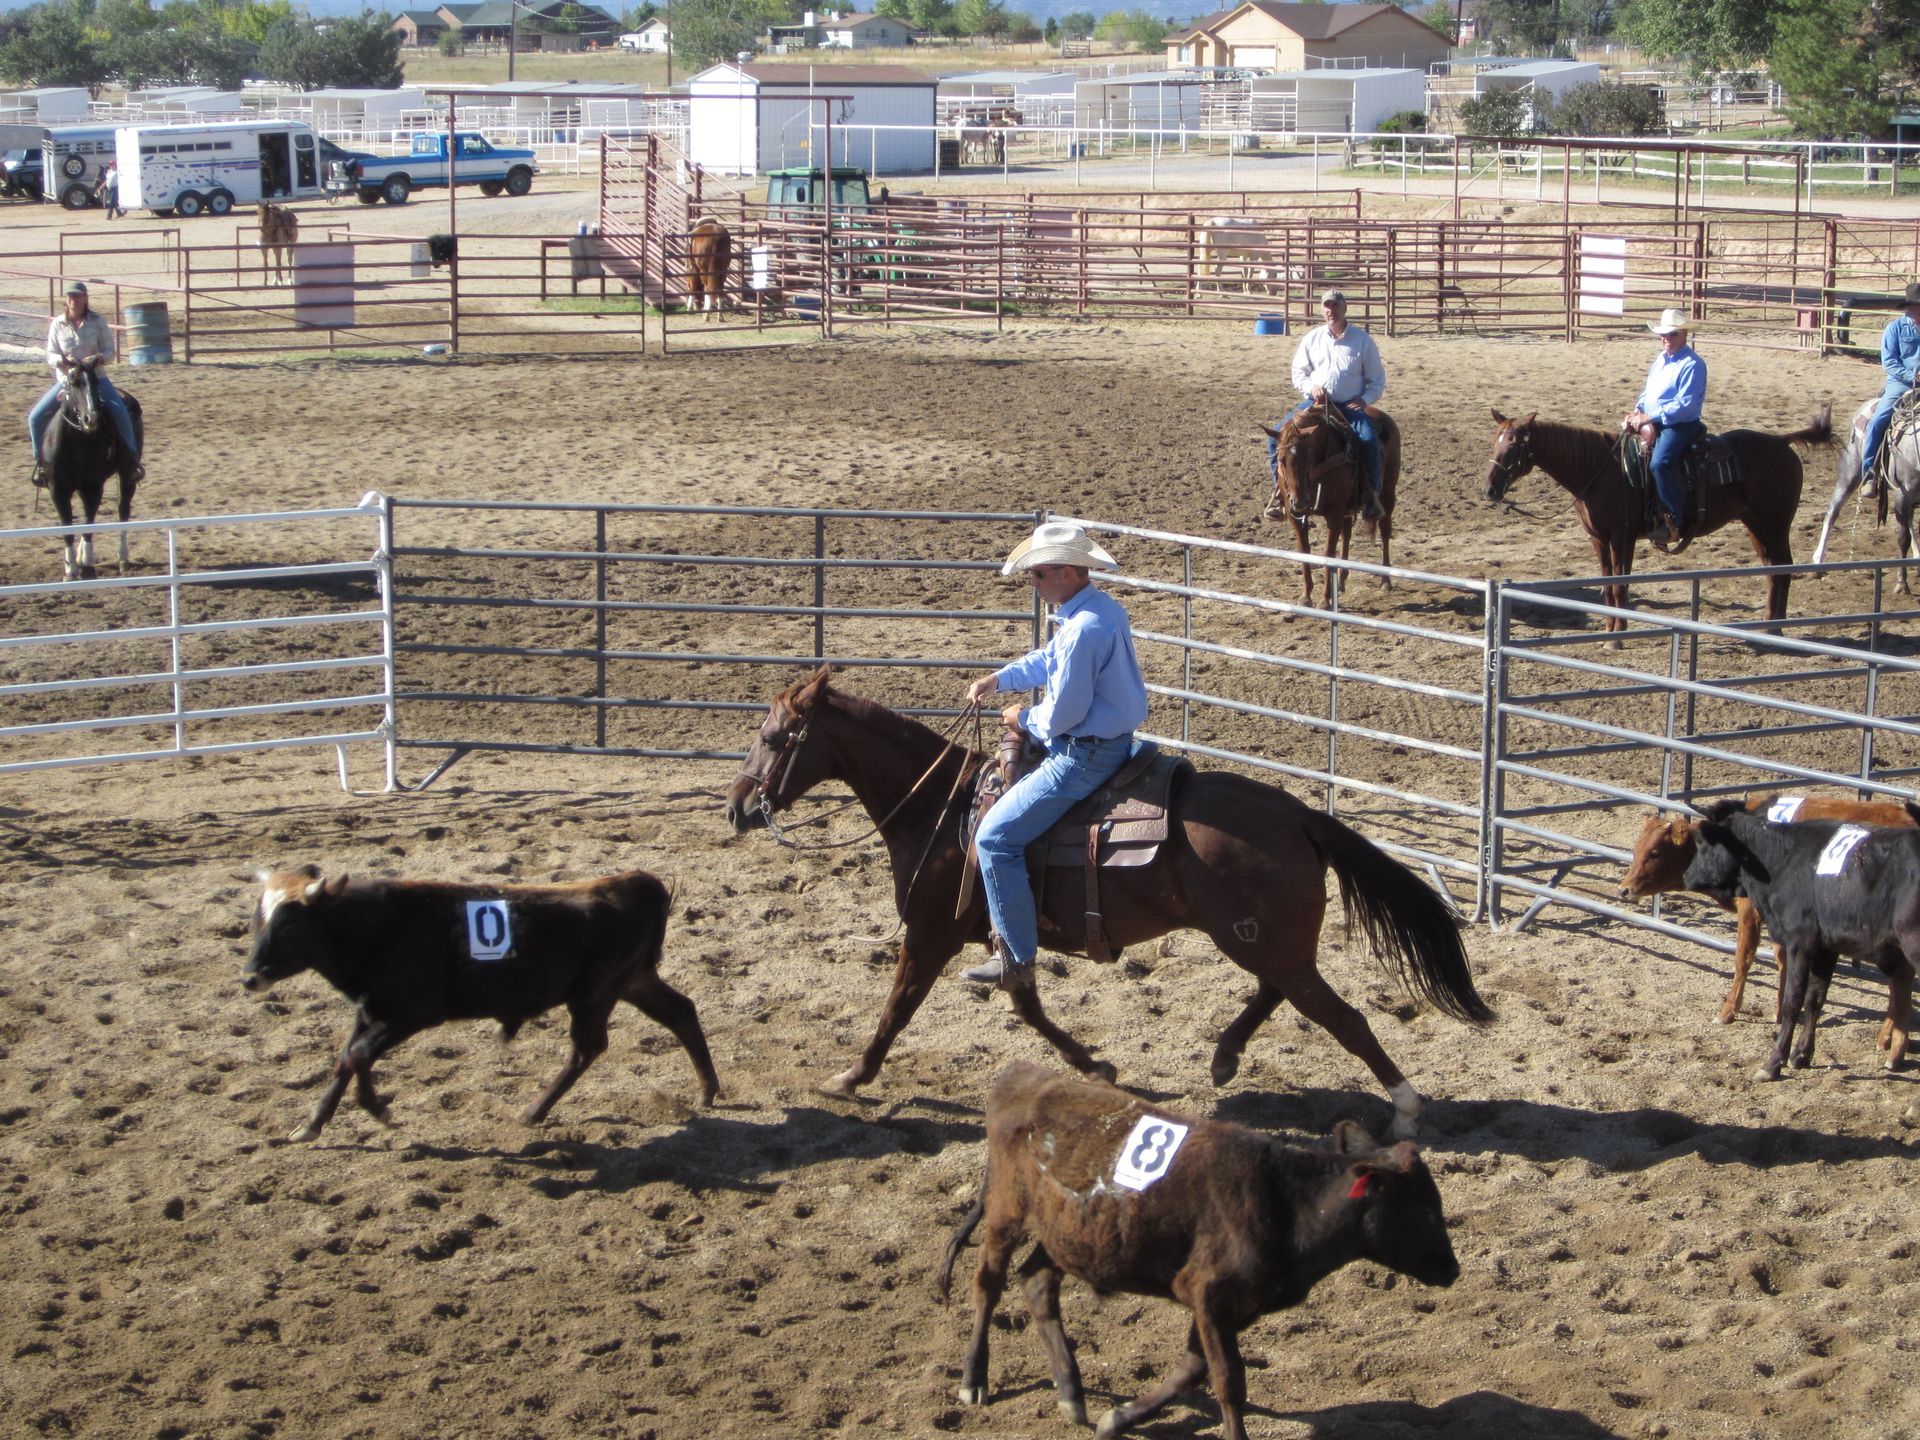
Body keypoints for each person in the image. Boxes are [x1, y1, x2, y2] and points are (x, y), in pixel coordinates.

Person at [959, 521, 1150, 990]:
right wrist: (1000, 679)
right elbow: (1048, 660)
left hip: (1083, 756)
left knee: (995, 839)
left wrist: (1021, 717)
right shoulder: (1098, 611)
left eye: (1039, 574)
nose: (1033, 583)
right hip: (1116, 742)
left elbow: (1063, 714)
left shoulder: (1082, 629)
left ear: (1067, 571)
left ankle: (1016, 957)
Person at [1279, 287, 1386, 520]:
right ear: (1321, 310)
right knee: (1278, 436)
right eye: (1327, 306)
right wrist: (1311, 387)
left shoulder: (1362, 341)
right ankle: (1280, 495)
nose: (1331, 311)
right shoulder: (1312, 338)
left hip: (1349, 406)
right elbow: (1299, 373)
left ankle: (1371, 496)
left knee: (1368, 440)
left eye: (1335, 305)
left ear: (1345, 308)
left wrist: (1365, 399)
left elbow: (1377, 380)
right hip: (1315, 403)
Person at [29, 280, 143, 489]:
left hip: (96, 379)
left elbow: (111, 351)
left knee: (120, 413)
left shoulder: (98, 322)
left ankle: (132, 462)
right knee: (35, 418)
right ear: (67, 300)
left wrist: (98, 358)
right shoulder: (58, 324)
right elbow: (50, 353)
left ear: (85, 298)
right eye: (70, 296)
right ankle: (42, 465)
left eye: (77, 295)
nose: (73, 299)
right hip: (68, 381)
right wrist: (60, 361)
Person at [1624, 307, 1707, 548]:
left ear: (1683, 335)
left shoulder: (1693, 364)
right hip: (1653, 418)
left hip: (1681, 425)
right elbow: (1648, 392)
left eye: (1671, 335)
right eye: (1663, 335)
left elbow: (1685, 405)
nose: (1666, 339)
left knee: (1660, 462)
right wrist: (1638, 410)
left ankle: (1673, 520)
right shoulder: (1661, 359)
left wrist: (1650, 416)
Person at [1861, 281, 1920, 495]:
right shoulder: (1894, 329)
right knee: (1877, 421)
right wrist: (1913, 375)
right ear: (1909, 307)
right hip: (1900, 383)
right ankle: (1869, 473)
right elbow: (1890, 363)